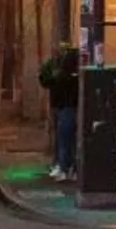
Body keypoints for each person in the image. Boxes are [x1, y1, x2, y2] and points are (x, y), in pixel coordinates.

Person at [38, 44, 82, 179]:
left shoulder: (61, 75)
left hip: (63, 108)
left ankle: (63, 167)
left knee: (63, 139)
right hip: (73, 109)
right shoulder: (78, 77)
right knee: (73, 141)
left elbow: (47, 81)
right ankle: (72, 168)